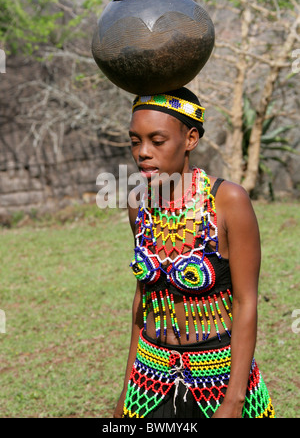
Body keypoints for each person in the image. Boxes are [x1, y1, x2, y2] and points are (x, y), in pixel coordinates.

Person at [114, 87, 275, 419]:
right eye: (135, 141)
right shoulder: (138, 204)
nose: (143, 152)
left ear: (190, 139)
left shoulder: (228, 201)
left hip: (218, 379)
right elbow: (142, 299)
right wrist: (128, 388)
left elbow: (247, 302)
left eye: (157, 141)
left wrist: (234, 401)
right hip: (150, 378)